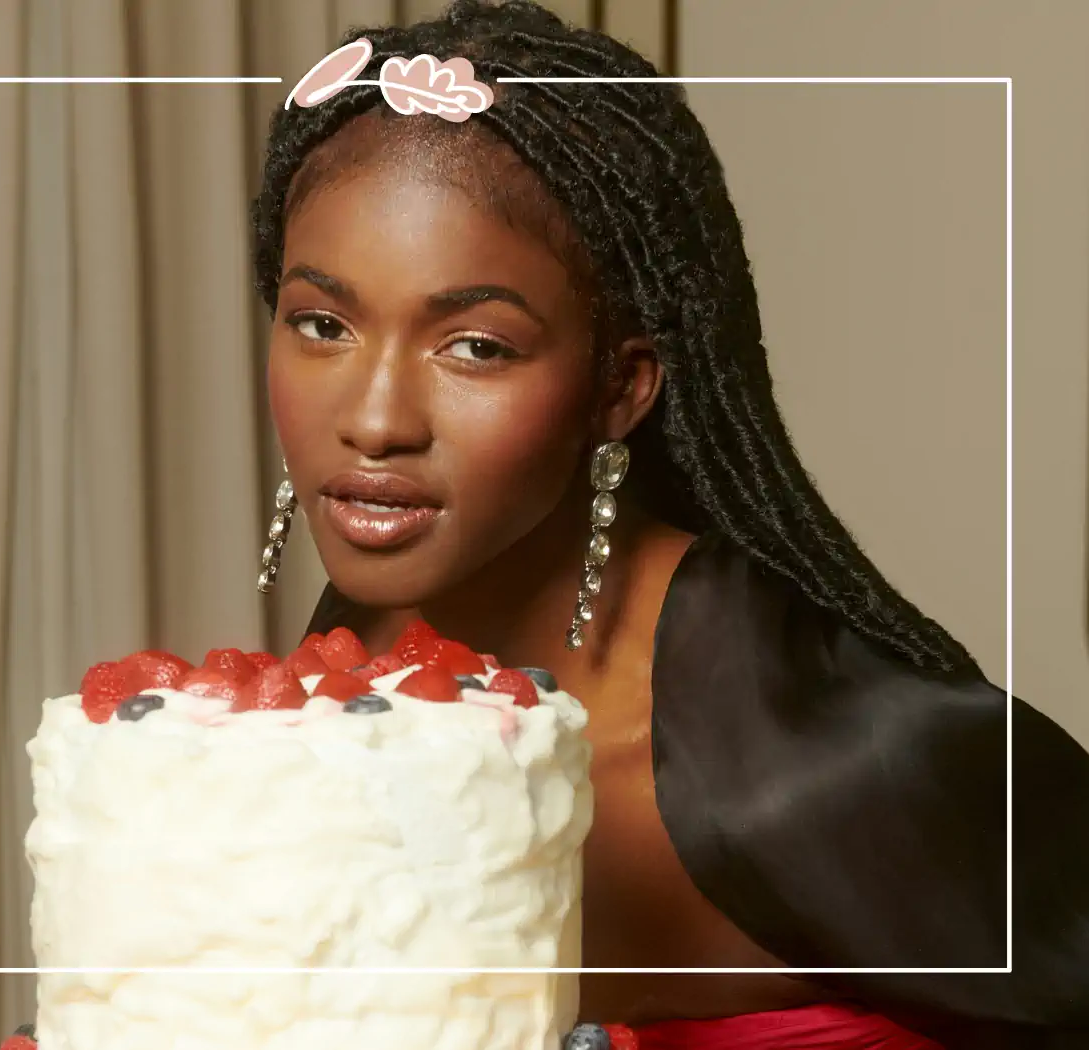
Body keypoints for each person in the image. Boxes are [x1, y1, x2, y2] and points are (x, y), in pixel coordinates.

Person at [250, 1, 1089, 1047]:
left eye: (474, 347)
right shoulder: (363, 654)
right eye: (321, 325)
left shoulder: (806, 772)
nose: (371, 421)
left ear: (619, 386)